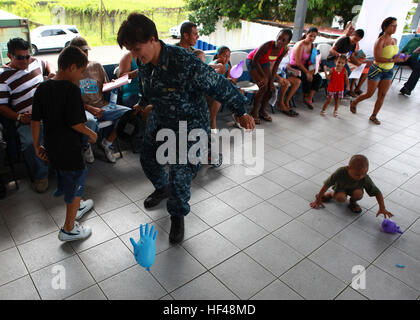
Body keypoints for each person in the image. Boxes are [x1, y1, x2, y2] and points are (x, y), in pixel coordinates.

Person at [117, 13, 254, 243]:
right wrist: (141, 105)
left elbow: (218, 84)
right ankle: (162, 188)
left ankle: (177, 216)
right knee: (148, 159)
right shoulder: (144, 62)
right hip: (161, 116)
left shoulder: (183, 61)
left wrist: (240, 111)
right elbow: (147, 88)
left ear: (152, 39)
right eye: (130, 49)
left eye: (136, 47)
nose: (134, 55)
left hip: (190, 123)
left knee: (180, 173)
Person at [31, 46, 97, 241]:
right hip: (70, 148)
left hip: (52, 146)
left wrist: (37, 146)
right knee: (77, 178)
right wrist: (91, 134)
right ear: (71, 67)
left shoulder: (42, 87)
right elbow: (75, 123)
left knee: (65, 175)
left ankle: (78, 205)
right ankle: (69, 228)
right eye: (81, 71)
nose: (81, 75)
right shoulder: (71, 89)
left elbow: (35, 121)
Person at [0, 38, 55, 193]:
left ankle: (63, 166)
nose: (25, 60)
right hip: (27, 119)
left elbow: (46, 63)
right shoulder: (3, 76)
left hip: (49, 113)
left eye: (27, 56)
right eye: (20, 57)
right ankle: (41, 176)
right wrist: (18, 117)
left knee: (70, 128)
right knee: (31, 143)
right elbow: (2, 107)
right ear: (10, 56)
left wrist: (51, 72)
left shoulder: (34, 62)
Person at [69, 37, 131, 163]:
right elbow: (71, 100)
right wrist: (90, 108)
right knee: (90, 122)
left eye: (86, 51)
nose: (85, 54)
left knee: (128, 114)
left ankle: (107, 143)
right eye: (81, 51)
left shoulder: (96, 66)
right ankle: (86, 146)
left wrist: (113, 84)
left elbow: (106, 88)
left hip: (102, 105)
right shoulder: (71, 71)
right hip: (84, 109)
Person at [350, 17, 408, 125]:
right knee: (369, 93)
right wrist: (392, 59)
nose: (395, 28)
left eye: (396, 26)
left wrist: (401, 56)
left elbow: (393, 55)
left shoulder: (394, 40)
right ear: (385, 27)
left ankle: (374, 115)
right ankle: (355, 102)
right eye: (392, 25)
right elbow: (377, 58)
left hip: (389, 70)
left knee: (382, 95)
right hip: (377, 69)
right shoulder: (380, 40)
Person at [310, 154, 393, 217]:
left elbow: (377, 192)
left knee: (359, 194)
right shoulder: (340, 171)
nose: (360, 177)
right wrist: (318, 199)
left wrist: (382, 207)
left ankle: (353, 203)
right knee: (341, 198)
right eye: (357, 174)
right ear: (348, 168)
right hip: (340, 188)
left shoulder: (364, 178)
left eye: (364, 174)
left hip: (355, 190)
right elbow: (327, 184)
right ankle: (331, 194)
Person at [246, 29, 293, 124]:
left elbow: (276, 65)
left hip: (264, 63)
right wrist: (264, 77)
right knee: (263, 86)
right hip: (252, 61)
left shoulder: (283, 50)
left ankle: (262, 111)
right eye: (279, 38)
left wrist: (271, 81)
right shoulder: (267, 45)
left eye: (283, 40)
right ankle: (254, 112)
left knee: (271, 88)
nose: (280, 41)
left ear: (287, 42)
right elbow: (255, 60)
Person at [288, 27, 322, 110]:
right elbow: (298, 62)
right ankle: (306, 95)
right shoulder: (300, 45)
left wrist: (316, 65)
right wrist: (307, 72)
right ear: (306, 34)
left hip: (305, 66)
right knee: (307, 77)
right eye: (310, 36)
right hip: (295, 66)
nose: (312, 38)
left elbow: (313, 59)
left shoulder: (312, 45)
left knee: (318, 77)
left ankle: (309, 97)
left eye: (314, 37)